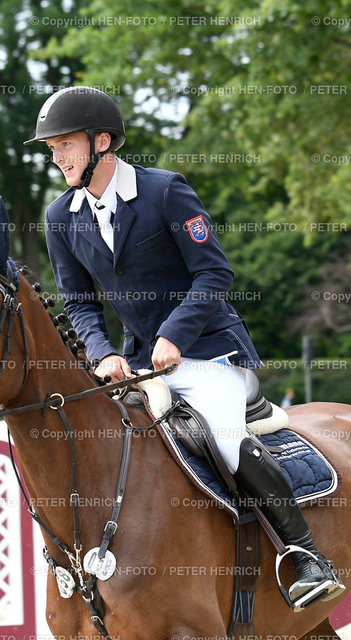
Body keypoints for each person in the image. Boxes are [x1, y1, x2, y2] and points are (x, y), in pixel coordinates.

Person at [24, 86, 343, 608]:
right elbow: (79, 303)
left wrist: (175, 334)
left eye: (63, 145)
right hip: (137, 364)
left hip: (212, 353)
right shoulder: (61, 218)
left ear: (101, 142)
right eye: (51, 148)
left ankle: (304, 555)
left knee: (221, 434)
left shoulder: (165, 192)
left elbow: (214, 272)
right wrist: (103, 354)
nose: (55, 157)